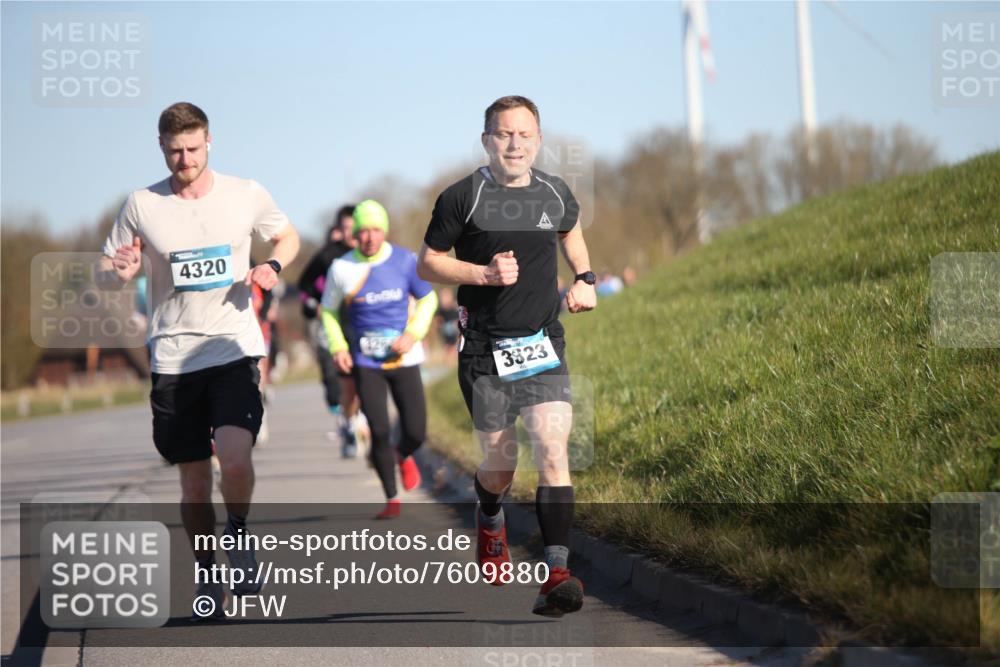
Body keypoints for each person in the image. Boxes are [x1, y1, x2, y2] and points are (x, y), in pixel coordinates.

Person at [97, 102, 300, 619]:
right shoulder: (142, 204)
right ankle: (208, 572)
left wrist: (272, 265)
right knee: (191, 482)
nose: (184, 159)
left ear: (209, 141)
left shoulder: (244, 193)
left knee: (234, 458)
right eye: (174, 151)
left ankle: (238, 529)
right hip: (173, 357)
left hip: (232, 346)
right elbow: (108, 266)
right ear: (161, 148)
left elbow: (287, 235)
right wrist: (118, 270)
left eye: (192, 148)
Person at [417, 95, 597, 616]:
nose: (514, 143)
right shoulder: (463, 197)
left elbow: (571, 232)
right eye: (503, 133)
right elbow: (428, 262)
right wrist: (483, 275)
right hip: (483, 350)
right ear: (486, 140)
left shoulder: (554, 192)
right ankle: (489, 510)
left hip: (541, 344)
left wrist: (585, 277)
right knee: (500, 465)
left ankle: (558, 572)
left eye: (524, 134)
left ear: (538, 140)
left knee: (552, 447)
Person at [321, 200, 438, 519]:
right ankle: (391, 497)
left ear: (384, 230)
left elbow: (429, 299)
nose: (369, 237)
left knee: (416, 430)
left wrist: (413, 332)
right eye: (363, 231)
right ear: (354, 234)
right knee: (379, 428)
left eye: (375, 229)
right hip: (365, 361)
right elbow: (328, 312)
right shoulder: (342, 268)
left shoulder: (405, 260)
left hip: (405, 358)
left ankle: (404, 455)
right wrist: (338, 347)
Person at [298, 205, 367, 457]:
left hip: (363, 328)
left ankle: (364, 423)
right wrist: (315, 306)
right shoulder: (329, 256)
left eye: (354, 227)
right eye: (345, 228)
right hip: (334, 327)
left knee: (367, 382)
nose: (350, 233)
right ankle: (350, 424)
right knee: (342, 385)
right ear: (338, 230)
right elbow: (303, 284)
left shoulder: (370, 254)